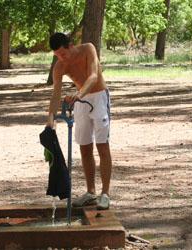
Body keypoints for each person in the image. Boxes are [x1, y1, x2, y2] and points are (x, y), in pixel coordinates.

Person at [46, 32, 112, 210]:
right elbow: (55, 96)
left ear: (71, 45)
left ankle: (104, 194)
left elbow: (93, 76)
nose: (62, 59)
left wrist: (79, 94)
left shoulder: (88, 49)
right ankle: (91, 192)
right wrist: (50, 120)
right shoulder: (59, 67)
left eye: (63, 54)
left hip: (98, 98)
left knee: (102, 145)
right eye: (57, 56)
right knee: (84, 147)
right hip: (80, 103)